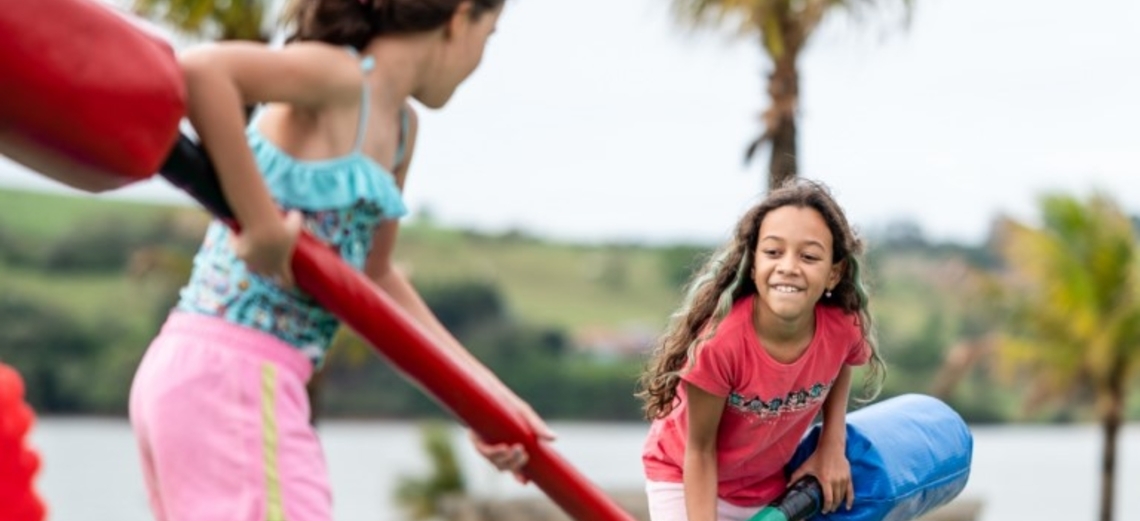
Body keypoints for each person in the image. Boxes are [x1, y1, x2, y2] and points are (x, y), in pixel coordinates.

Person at [128, 1, 551, 519]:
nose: (482, 59)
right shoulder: (341, 77)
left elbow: (375, 280)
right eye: (490, 35)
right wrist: (259, 220)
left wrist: (483, 397)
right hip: (235, 373)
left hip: (227, 379)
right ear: (459, 18)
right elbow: (201, 71)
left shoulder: (399, 130)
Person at [635, 179, 887, 521]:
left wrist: (832, 444)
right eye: (773, 252)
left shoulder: (843, 326)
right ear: (753, 264)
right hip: (683, 476)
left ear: (834, 273)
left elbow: (841, 361)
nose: (789, 266)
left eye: (809, 256)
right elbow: (699, 450)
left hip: (765, 486)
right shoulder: (719, 344)